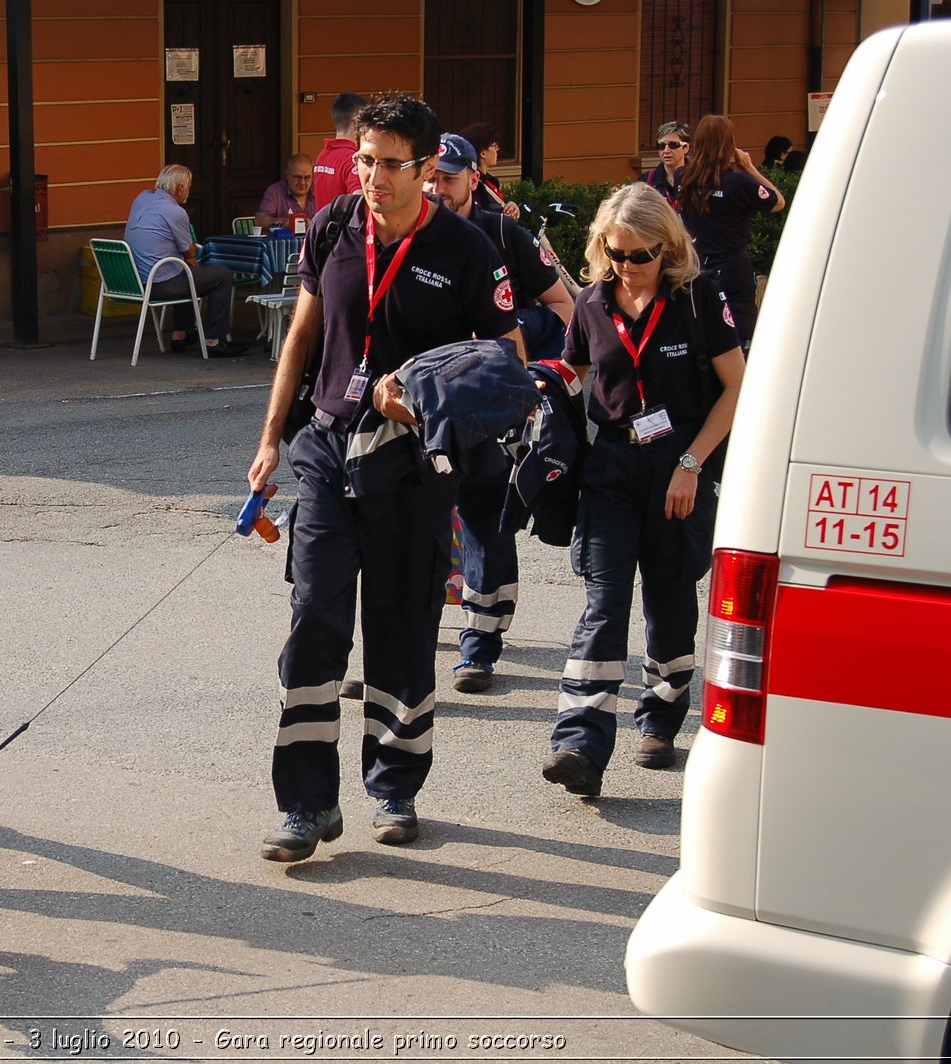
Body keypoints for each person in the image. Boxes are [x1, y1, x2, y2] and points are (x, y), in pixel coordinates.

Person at [247, 94, 522, 861]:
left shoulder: (468, 251)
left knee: (401, 631)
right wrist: (271, 439)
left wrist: (428, 397)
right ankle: (305, 806)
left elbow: (510, 369)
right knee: (313, 624)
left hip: (412, 466)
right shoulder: (334, 226)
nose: (371, 174)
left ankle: (394, 786)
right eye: (364, 158)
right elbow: (302, 336)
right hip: (328, 451)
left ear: (429, 168)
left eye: (390, 163)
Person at [542, 181, 744, 800]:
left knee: (669, 596)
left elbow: (739, 388)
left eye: (640, 256)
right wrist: (527, 386)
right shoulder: (594, 304)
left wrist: (691, 464)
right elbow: (572, 373)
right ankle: (578, 740)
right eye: (615, 253)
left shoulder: (697, 300)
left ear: (668, 249)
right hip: (611, 469)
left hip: (677, 466)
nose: (627, 268)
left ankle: (660, 715)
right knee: (604, 604)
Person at [424, 132, 574, 693]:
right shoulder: (401, 237)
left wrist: (505, 346)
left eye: (450, 177)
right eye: (431, 177)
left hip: (486, 409)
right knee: (416, 520)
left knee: (485, 519)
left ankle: (480, 646)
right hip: (421, 407)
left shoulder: (505, 233)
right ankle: (410, 636)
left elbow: (564, 308)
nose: (439, 188)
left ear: (472, 178)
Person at [677, 114, 785, 353]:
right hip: (732, 267)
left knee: (700, 328)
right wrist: (748, 166)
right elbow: (777, 202)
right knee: (735, 336)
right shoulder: (739, 184)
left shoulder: (682, 178)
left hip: (696, 263)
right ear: (729, 146)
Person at [123, 165, 245, 355]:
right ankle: (213, 340)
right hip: (159, 283)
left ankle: (179, 335)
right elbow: (189, 250)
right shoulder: (176, 212)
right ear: (180, 188)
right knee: (222, 275)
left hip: (136, 280)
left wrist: (184, 258)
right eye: (188, 186)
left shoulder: (142, 198)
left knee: (186, 272)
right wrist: (187, 256)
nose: (189, 190)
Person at [456, 121, 520, 219]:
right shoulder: (473, 185)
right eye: (494, 146)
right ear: (483, 153)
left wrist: (511, 207)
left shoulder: (490, 182)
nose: (497, 150)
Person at [312, 92, 367, 205]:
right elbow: (359, 202)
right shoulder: (352, 160)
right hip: (343, 222)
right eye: (367, 121)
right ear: (356, 122)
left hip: (322, 222)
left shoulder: (323, 155)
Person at [256, 154, 316, 228]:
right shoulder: (274, 192)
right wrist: (287, 222)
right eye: (297, 177)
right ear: (287, 175)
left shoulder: (319, 190)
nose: (302, 183)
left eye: (307, 177)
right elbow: (260, 221)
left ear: (313, 176)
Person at [640, 120, 690, 209]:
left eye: (673, 145)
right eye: (661, 146)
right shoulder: (646, 181)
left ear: (685, 148)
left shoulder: (699, 179)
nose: (666, 151)